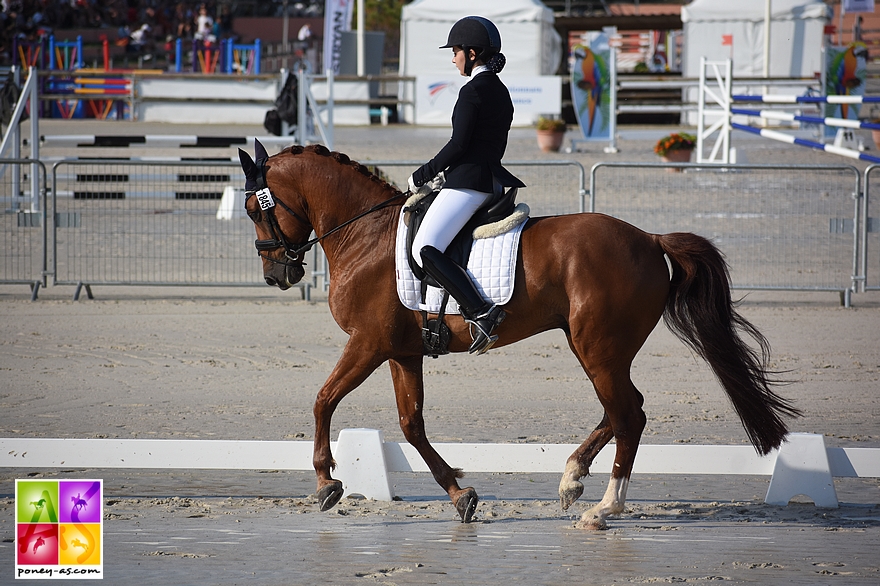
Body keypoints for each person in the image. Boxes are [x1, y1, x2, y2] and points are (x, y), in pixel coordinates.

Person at [408, 16, 525, 355]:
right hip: (490, 181)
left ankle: (481, 312)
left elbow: (459, 144)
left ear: (472, 53)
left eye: (456, 51)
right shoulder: (501, 91)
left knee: (424, 248)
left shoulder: (472, 91)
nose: (454, 57)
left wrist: (425, 173)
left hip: (469, 185)